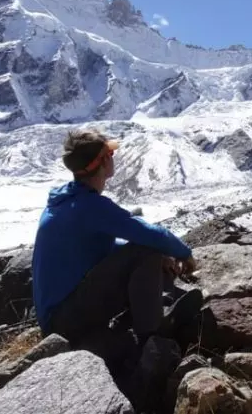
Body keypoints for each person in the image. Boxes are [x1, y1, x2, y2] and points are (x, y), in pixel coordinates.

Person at [32, 129, 201, 348]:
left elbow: (104, 247)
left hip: (58, 317)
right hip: (64, 324)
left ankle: (151, 309)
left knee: (146, 248)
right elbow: (152, 234)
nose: (114, 158)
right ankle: (153, 336)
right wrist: (185, 254)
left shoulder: (69, 199)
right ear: (101, 163)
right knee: (146, 250)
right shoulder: (90, 206)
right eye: (109, 155)